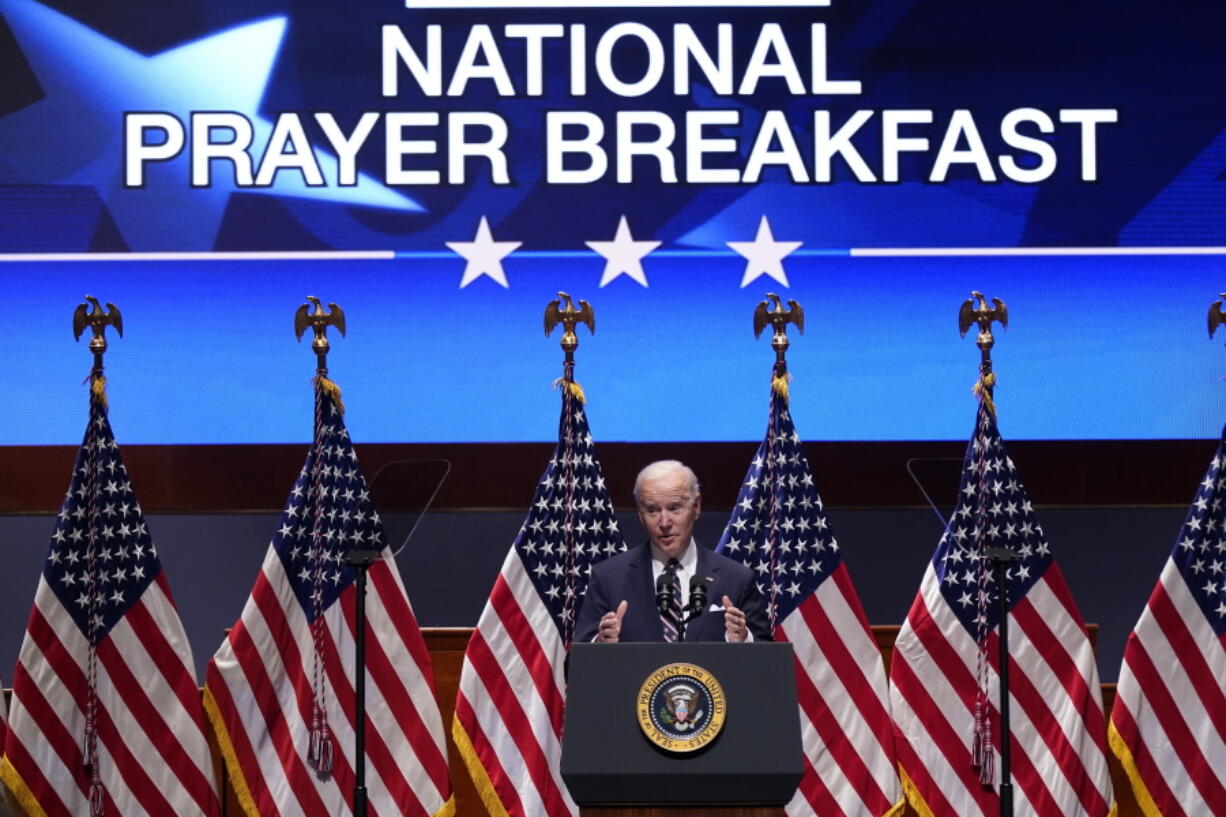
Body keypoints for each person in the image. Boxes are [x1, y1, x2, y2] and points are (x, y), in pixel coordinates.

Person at [574, 460, 771, 643]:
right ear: (640, 515)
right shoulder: (609, 578)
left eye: (675, 508)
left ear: (696, 507)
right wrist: (600, 644)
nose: (665, 522)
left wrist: (745, 640)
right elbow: (573, 667)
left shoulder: (736, 578)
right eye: (652, 510)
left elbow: (771, 668)